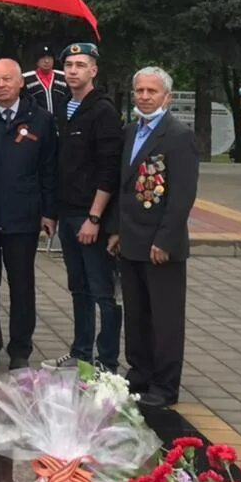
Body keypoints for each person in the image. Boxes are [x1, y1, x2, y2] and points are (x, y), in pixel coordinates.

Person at [0, 59, 57, 370]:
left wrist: (49, 212)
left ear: (21, 83)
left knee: (22, 286)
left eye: (7, 79)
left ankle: (20, 350)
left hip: (23, 217)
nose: (1, 85)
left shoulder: (41, 120)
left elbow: (48, 169)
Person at [117, 66, 199, 409]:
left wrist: (164, 240)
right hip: (131, 240)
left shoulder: (177, 135)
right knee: (136, 315)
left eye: (152, 92)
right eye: (140, 91)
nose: (145, 97)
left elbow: (182, 196)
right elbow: (123, 186)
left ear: (167, 96)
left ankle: (165, 385)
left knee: (164, 319)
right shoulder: (130, 130)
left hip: (160, 246)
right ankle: (140, 374)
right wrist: (115, 232)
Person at [40, 43, 124, 372]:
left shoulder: (102, 110)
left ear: (94, 71)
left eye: (80, 65)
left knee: (102, 290)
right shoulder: (64, 107)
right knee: (79, 287)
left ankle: (107, 361)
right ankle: (81, 353)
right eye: (69, 65)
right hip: (68, 212)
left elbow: (109, 168)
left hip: (92, 217)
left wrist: (95, 217)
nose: (73, 70)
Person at [23, 44, 68, 115]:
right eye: (43, 58)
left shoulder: (64, 77)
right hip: (37, 121)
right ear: (37, 61)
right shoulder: (26, 79)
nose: (46, 61)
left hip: (60, 121)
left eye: (49, 58)